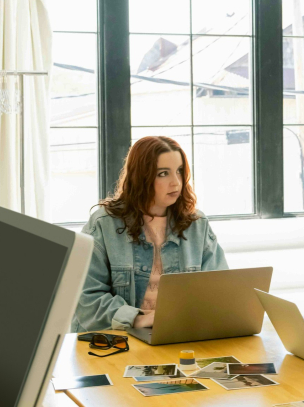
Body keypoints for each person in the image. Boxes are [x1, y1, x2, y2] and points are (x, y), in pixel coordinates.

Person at [72, 135, 228, 333]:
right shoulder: (103, 224)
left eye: (179, 171)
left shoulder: (197, 224)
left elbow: (220, 291)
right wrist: (136, 319)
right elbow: (85, 297)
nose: (176, 183)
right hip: (114, 340)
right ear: (141, 177)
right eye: (163, 173)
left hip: (176, 335)